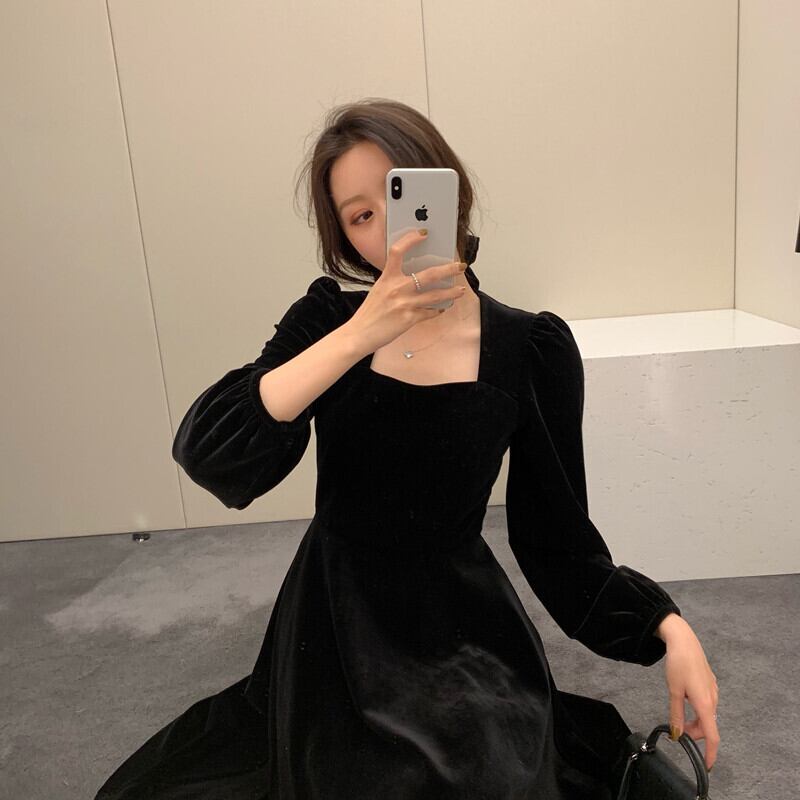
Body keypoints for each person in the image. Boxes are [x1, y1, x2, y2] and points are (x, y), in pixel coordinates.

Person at [94, 98, 719, 799]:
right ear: (345, 238)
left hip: (464, 631)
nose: (390, 229)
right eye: (361, 216)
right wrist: (361, 334)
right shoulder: (329, 321)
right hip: (336, 624)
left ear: (446, 190)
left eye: (400, 196)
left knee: (492, 779)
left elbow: (558, 544)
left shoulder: (529, 349)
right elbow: (215, 455)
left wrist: (667, 628)